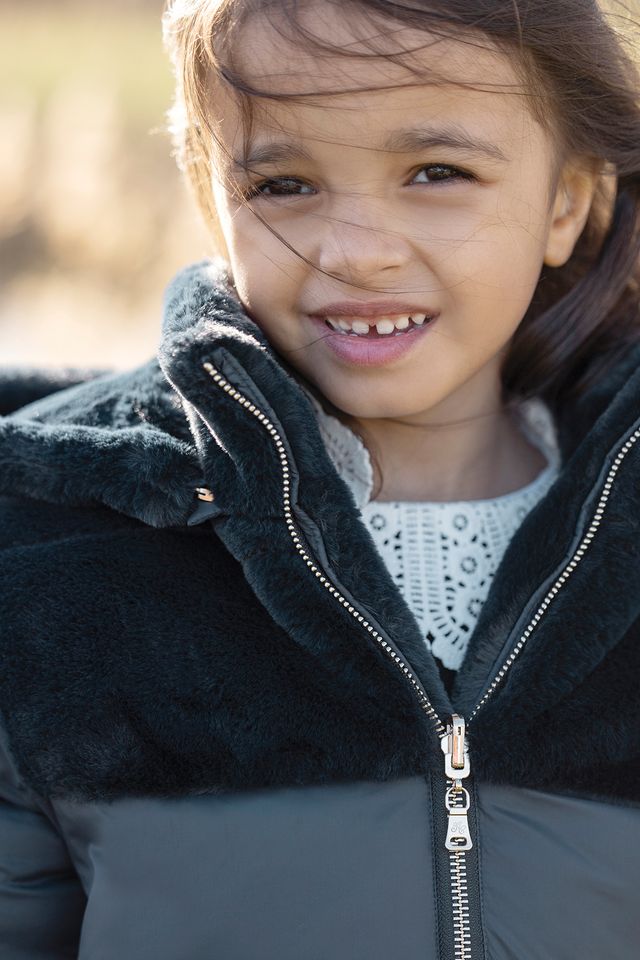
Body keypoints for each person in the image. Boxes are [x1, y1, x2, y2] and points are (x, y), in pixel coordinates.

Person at [1, 0, 640, 957]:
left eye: (437, 172)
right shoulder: (50, 536)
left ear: (568, 202)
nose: (353, 251)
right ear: (211, 197)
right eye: (285, 184)